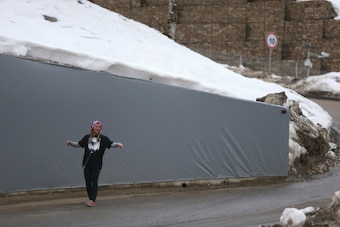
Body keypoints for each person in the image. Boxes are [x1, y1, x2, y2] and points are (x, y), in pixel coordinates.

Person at [66, 120, 124, 207]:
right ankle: (90, 198)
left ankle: (92, 200)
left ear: (100, 129)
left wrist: (118, 144)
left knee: (94, 181)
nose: (97, 128)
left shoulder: (104, 139)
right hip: (87, 163)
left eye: (99, 127)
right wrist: (71, 143)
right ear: (92, 127)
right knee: (88, 182)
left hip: (97, 164)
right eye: (95, 127)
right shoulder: (87, 138)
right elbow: (78, 144)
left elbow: (112, 144)